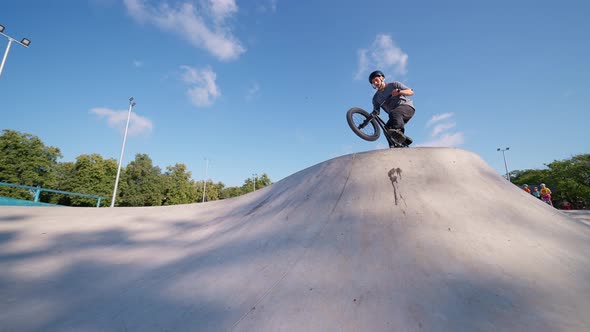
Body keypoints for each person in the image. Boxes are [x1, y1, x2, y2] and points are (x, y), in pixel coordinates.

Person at [369, 70, 415, 147]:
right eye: (373, 82)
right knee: (386, 129)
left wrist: (399, 91)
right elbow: (376, 111)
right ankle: (396, 145)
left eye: (376, 80)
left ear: (382, 78)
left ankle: (399, 132)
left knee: (394, 113)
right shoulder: (375, 98)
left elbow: (410, 92)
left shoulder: (394, 84)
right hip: (395, 117)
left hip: (407, 107)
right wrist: (372, 115)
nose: (375, 83)